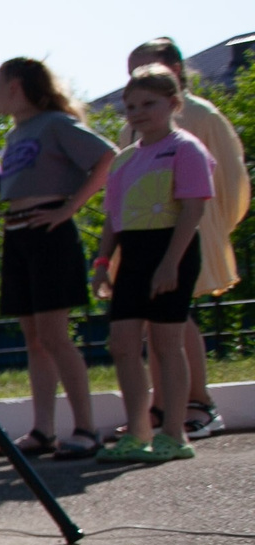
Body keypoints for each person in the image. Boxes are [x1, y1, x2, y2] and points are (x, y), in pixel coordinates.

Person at [121, 37, 248, 439]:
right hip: (145, 234)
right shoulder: (134, 123)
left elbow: (230, 178)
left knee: (177, 321)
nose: (138, 80)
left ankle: (199, 403)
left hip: (188, 230)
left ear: (173, 70)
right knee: (152, 323)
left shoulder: (201, 116)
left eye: (147, 68)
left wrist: (212, 230)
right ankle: (162, 406)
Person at [0, 56, 114, 459]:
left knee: (55, 337)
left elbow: (107, 157)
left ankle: (86, 429)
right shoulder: (15, 134)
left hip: (49, 235)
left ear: (15, 87)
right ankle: (43, 430)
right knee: (34, 339)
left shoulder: (56, 123)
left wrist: (68, 210)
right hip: (18, 234)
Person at [91, 67, 214, 464]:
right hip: (134, 254)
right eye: (131, 106)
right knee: (123, 343)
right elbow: (114, 216)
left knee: (166, 344)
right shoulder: (125, 159)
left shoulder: (186, 148)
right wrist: (102, 262)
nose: (138, 112)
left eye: (149, 104)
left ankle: (174, 434)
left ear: (174, 104)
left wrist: (169, 264)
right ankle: (138, 432)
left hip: (170, 250)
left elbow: (192, 209)